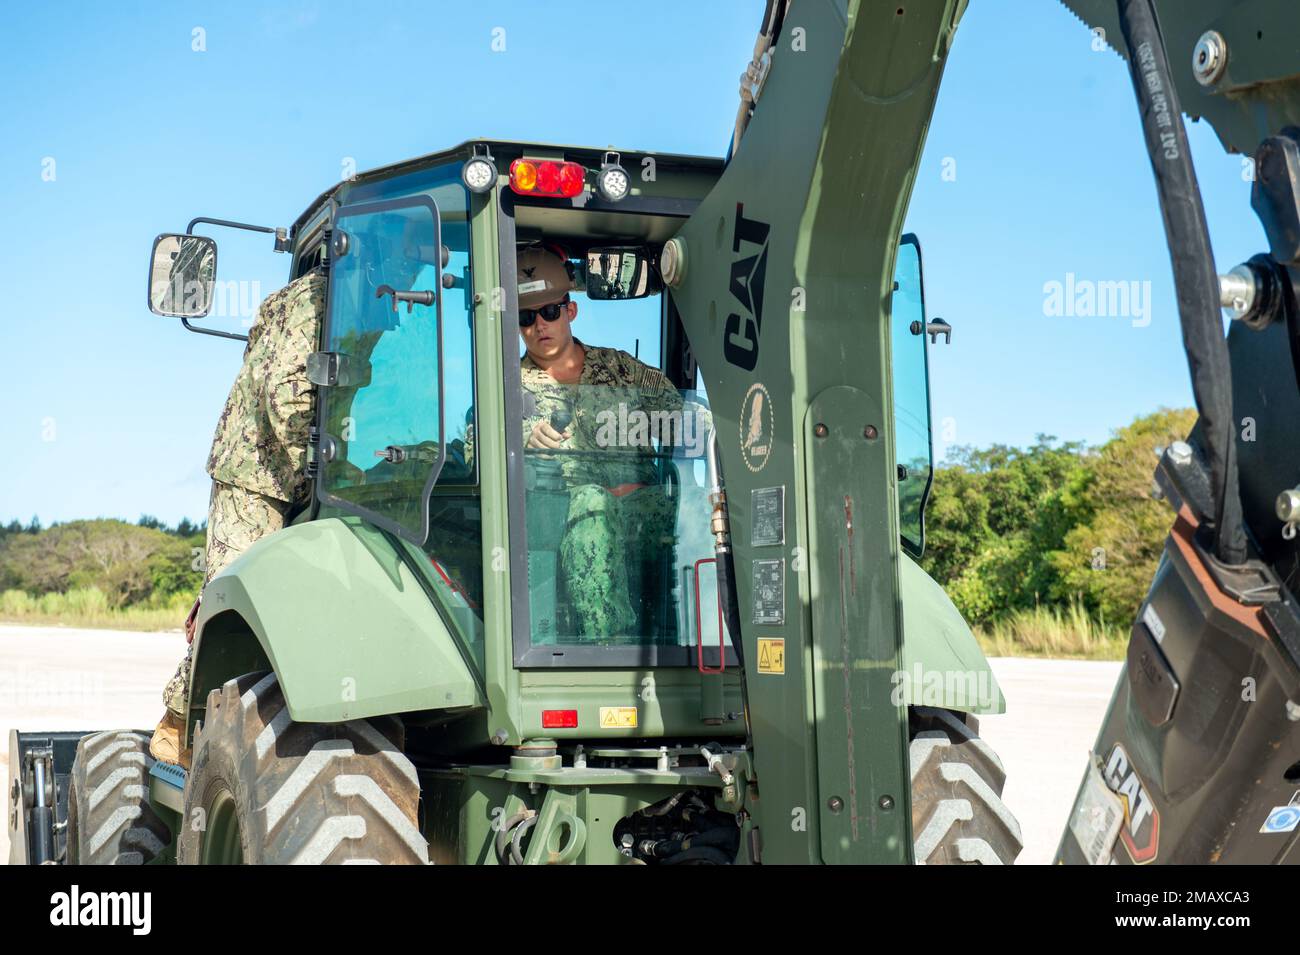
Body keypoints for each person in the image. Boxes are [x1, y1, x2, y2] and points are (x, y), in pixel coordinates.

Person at [150, 267, 327, 767]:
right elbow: (286, 395)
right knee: (233, 595)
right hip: (257, 470)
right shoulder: (316, 299)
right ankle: (179, 722)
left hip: (305, 474)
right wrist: (334, 464)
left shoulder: (352, 295)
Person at [514, 247, 687, 639]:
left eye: (550, 312)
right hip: (563, 520)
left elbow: (682, 415)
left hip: (639, 510)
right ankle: (608, 646)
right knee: (594, 504)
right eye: (526, 317)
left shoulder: (621, 368)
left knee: (687, 507)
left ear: (570, 311)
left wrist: (692, 428)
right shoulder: (510, 386)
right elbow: (477, 444)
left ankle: (698, 642)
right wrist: (523, 436)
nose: (539, 325)